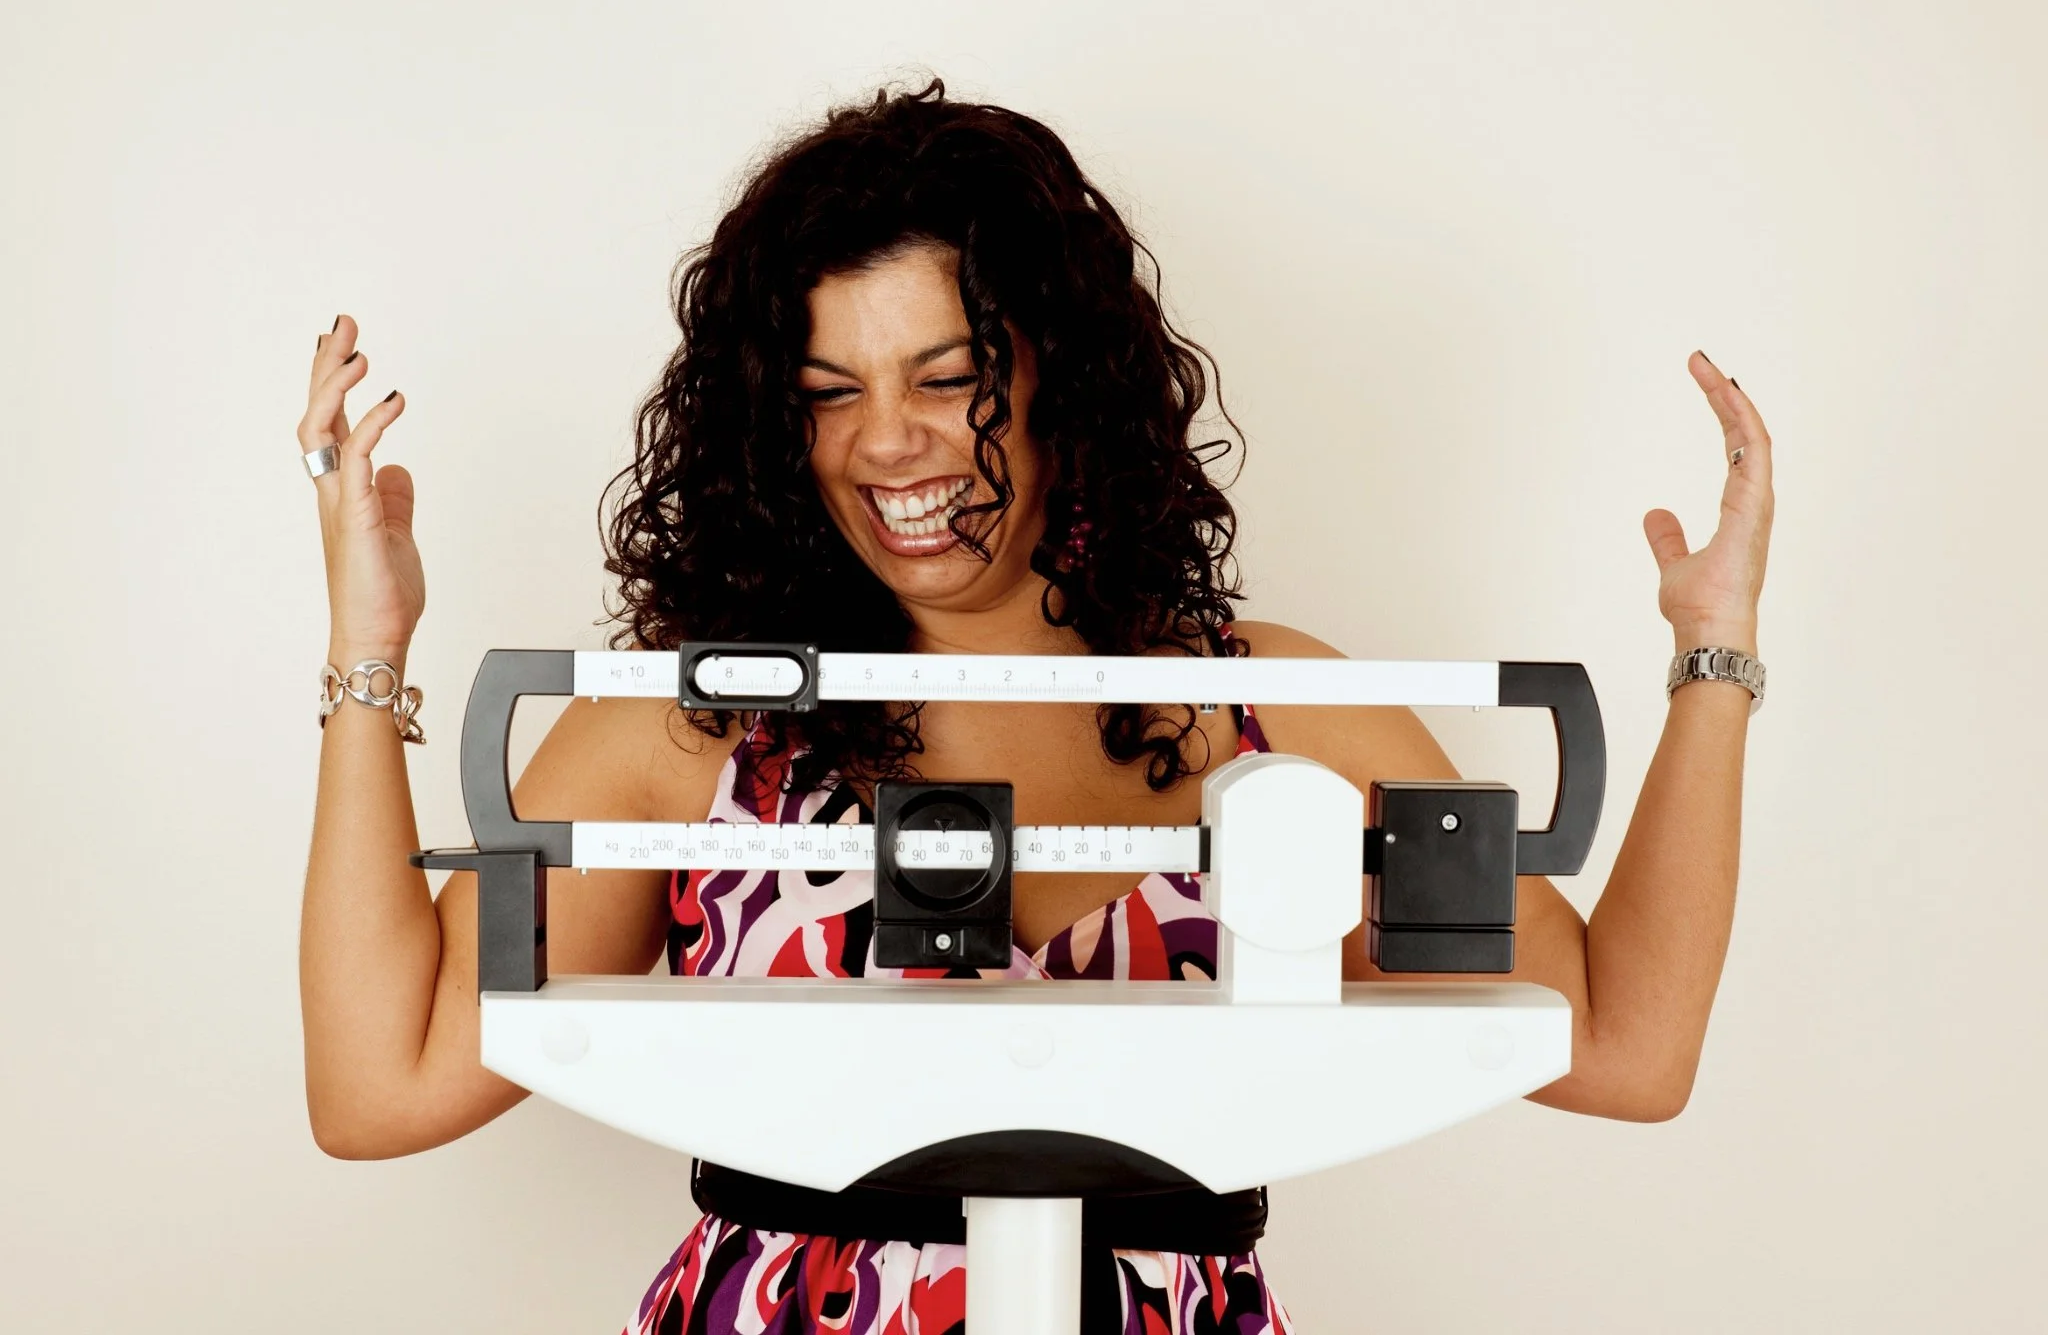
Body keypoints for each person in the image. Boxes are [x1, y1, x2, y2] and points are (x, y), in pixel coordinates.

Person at [297, 78, 1774, 1335]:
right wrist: (371, 654)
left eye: (949, 378)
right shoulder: (701, 729)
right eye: (827, 391)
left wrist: (1714, 659)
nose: (887, 443)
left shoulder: (1275, 714)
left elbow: (1624, 1050)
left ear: (1063, 376)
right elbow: (383, 1090)